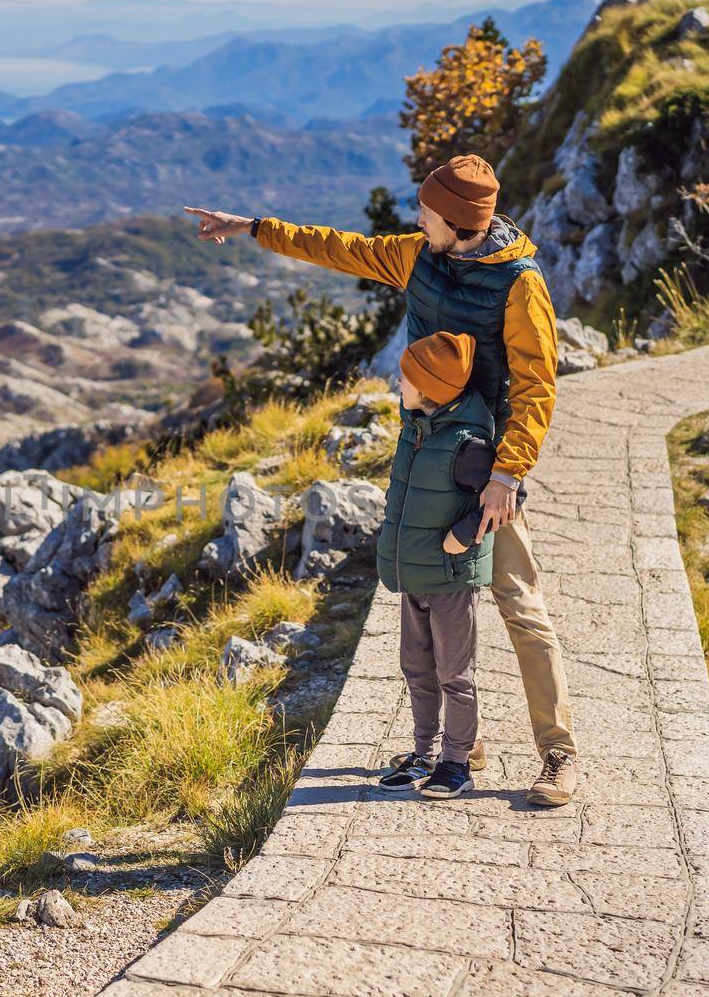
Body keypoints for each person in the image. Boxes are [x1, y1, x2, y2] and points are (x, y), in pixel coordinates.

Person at [184, 153, 578, 806]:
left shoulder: (519, 284)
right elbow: (340, 248)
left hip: (484, 468)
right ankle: (462, 738)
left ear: (459, 221)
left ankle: (559, 753)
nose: (417, 220)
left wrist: (508, 474)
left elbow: (537, 386)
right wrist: (252, 226)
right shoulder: (418, 253)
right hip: (426, 451)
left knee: (517, 600)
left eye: (427, 213)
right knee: (431, 595)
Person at [373, 331, 526, 799]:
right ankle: (423, 752)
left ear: (431, 387)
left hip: (451, 578)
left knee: (454, 675)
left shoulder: (468, 443)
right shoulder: (417, 427)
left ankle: (457, 763)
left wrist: (464, 536)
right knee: (416, 670)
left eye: (406, 377)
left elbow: (509, 499)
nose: (398, 382)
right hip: (415, 572)